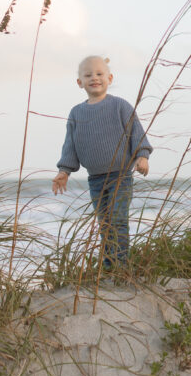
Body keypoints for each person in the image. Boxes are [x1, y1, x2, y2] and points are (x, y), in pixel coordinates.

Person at [52, 56, 152, 271]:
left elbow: (137, 133)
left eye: (99, 74)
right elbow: (70, 144)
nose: (94, 78)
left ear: (109, 78)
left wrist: (142, 156)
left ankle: (121, 268)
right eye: (88, 75)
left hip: (120, 176)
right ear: (79, 82)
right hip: (95, 180)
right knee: (105, 225)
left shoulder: (119, 106)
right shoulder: (76, 113)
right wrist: (64, 171)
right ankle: (108, 268)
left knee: (117, 221)